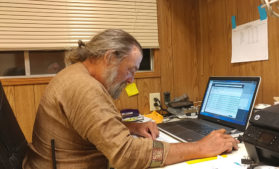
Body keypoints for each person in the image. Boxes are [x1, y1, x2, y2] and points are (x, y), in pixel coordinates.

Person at [23, 29, 239, 169]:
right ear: (109, 58)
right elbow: (125, 154)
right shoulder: (85, 88)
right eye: (130, 70)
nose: (130, 80)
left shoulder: (77, 74)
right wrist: (199, 147)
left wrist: (130, 127)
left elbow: (91, 127)